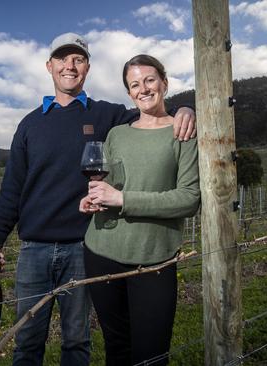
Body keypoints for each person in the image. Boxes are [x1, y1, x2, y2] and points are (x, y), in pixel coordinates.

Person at [0, 33, 196, 366]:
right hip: (33, 250)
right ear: (49, 66)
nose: (70, 65)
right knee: (26, 340)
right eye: (62, 59)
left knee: (77, 342)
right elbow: (13, 185)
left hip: (82, 248)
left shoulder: (107, 116)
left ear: (87, 68)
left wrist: (186, 108)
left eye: (78, 59)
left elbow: (152, 114)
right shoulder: (28, 124)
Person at [79, 54, 200, 366]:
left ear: (164, 82)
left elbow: (188, 199)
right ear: (129, 93)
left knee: (151, 354)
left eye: (149, 80)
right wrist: (92, 199)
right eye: (134, 84)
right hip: (101, 252)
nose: (143, 89)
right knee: (116, 347)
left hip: (154, 259)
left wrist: (122, 200)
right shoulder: (118, 133)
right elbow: (108, 182)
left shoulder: (183, 132)